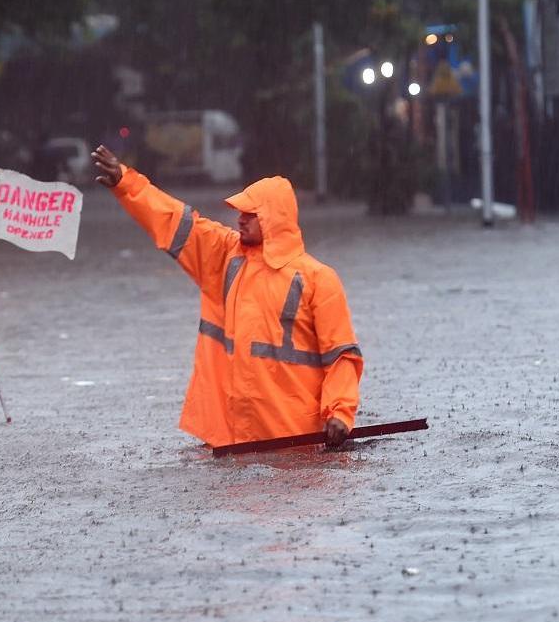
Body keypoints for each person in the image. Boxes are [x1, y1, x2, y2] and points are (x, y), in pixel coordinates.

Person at [92, 145, 363, 449]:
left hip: (294, 443)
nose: (241, 219)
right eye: (241, 213)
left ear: (274, 218)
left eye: (251, 214)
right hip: (231, 441)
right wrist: (126, 183)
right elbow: (175, 222)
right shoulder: (225, 256)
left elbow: (341, 355)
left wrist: (340, 412)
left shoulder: (318, 279)